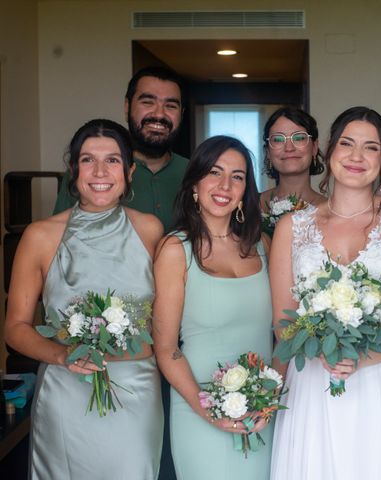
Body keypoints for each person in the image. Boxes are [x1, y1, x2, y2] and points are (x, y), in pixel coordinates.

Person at [270, 107, 381, 480]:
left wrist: (364, 359)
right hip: (315, 383)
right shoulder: (291, 227)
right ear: (328, 152)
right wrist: (322, 353)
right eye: (346, 144)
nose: (357, 156)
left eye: (371, 147)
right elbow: (283, 321)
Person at [4, 119, 164, 479]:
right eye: (88, 160)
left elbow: (167, 320)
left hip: (135, 393)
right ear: (73, 169)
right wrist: (62, 354)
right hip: (65, 393)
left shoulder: (149, 229)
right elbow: (15, 328)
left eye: (112, 160)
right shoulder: (40, 236)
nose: (100, 171)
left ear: (130, 170)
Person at [153, 136, 273, 479]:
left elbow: (284, 333)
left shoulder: (262, 244)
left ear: (245, 189)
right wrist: (210, 411)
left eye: (237, 176)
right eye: (215, 172)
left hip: (263, 410)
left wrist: (269, 399)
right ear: (194, 183)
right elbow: (166, 349)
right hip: (199, 409)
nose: (225, 185)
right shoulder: (176, 250)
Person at [54, 66, 189, 233]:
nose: (159, 114)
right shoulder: (90, 173)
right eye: (147, 102)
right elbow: (58, 237)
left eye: (171, 106)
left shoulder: (197, 173)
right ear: (127, 107)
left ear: (181, 114)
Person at [260, 107, 325, 225]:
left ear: (314, 147)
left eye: (299, 138)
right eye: (278, 139)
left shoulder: (331, 210)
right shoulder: (249, 205)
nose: (289, 148)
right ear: (268, 152)